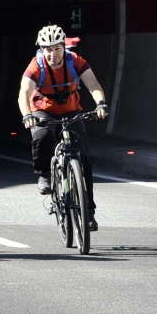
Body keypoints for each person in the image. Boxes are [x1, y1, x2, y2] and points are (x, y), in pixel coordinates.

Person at [18, 24, 109, 230]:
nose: (52, 53)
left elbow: (93, 85)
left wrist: (101, 104)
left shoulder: (75, 62)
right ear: (42, 50)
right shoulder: (36, 66)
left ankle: (89, 212)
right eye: (47, 49)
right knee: (41, 136)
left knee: (83, 159)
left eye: (56, 48)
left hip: (70, 111)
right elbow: (24, 94)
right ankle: (44, 176)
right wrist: (27, 116)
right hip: (43, 110)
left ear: (63, 47)